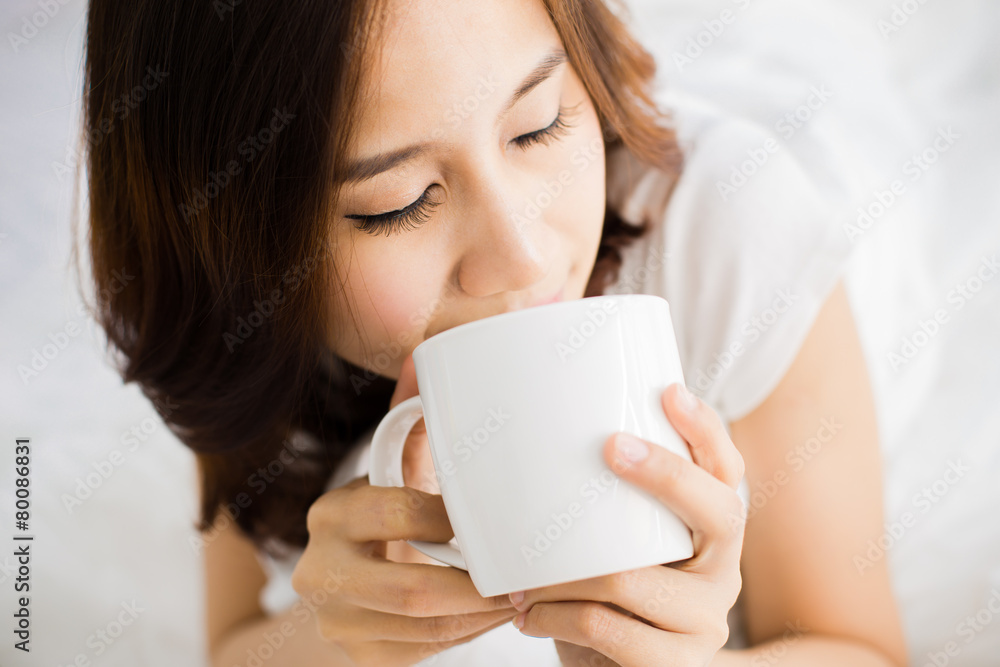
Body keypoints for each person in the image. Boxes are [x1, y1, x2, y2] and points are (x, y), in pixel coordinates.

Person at [79, 0, 908, 665]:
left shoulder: (728, 239)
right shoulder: (246, 338)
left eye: (540, 123)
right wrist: (341, 639)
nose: (523, 254)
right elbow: (233, 648)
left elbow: (862, 646)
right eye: (396, 202)